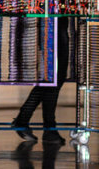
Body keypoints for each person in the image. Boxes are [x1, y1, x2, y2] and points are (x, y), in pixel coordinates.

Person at [12, 16, 69, 145]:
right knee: (54, 78)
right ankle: (47, 127)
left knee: (54, 78)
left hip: (56, 22)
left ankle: (26, 120)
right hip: (51, 23)